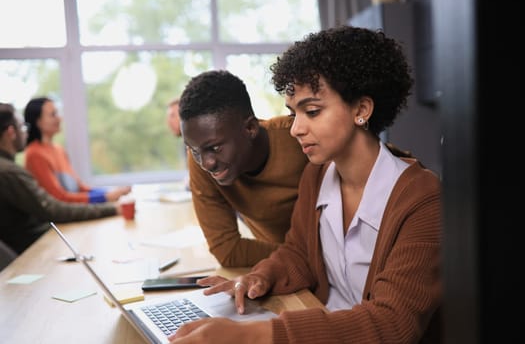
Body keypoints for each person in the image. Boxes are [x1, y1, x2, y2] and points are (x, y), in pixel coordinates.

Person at [168, 26, 442, 344]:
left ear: (361, 110)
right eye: (293, 113)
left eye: (312, 111)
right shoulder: (317, 174)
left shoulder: (424, 200)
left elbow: (392, 324)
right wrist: (261, 276)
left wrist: (252, 336)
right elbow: (300, 254)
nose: (296, 128)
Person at [178, 70, 309, 267]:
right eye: (195, 150)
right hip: (284, 269)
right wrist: (298, 259)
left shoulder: (300, 140)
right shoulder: (203, 159)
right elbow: (227, 250)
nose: (206, 163)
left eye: (215, 148)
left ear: (250, 128)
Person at [0, 102, 120, 255]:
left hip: (42, 241)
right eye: (22, 127)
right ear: (11, 132)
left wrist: (107, 197)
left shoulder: (56, 150)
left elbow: (77, 188)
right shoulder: (12, 170)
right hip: (36, 249)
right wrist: (110, 206)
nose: (60, 118)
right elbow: (54, 207)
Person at [23, 97, 131, 203]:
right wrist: (104, 197)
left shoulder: (59, 149)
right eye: (53, 114)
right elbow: (58, 198)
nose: (59, 118)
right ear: (38, 121)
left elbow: (79, 188)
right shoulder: (34, 154)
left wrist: (109, 193)